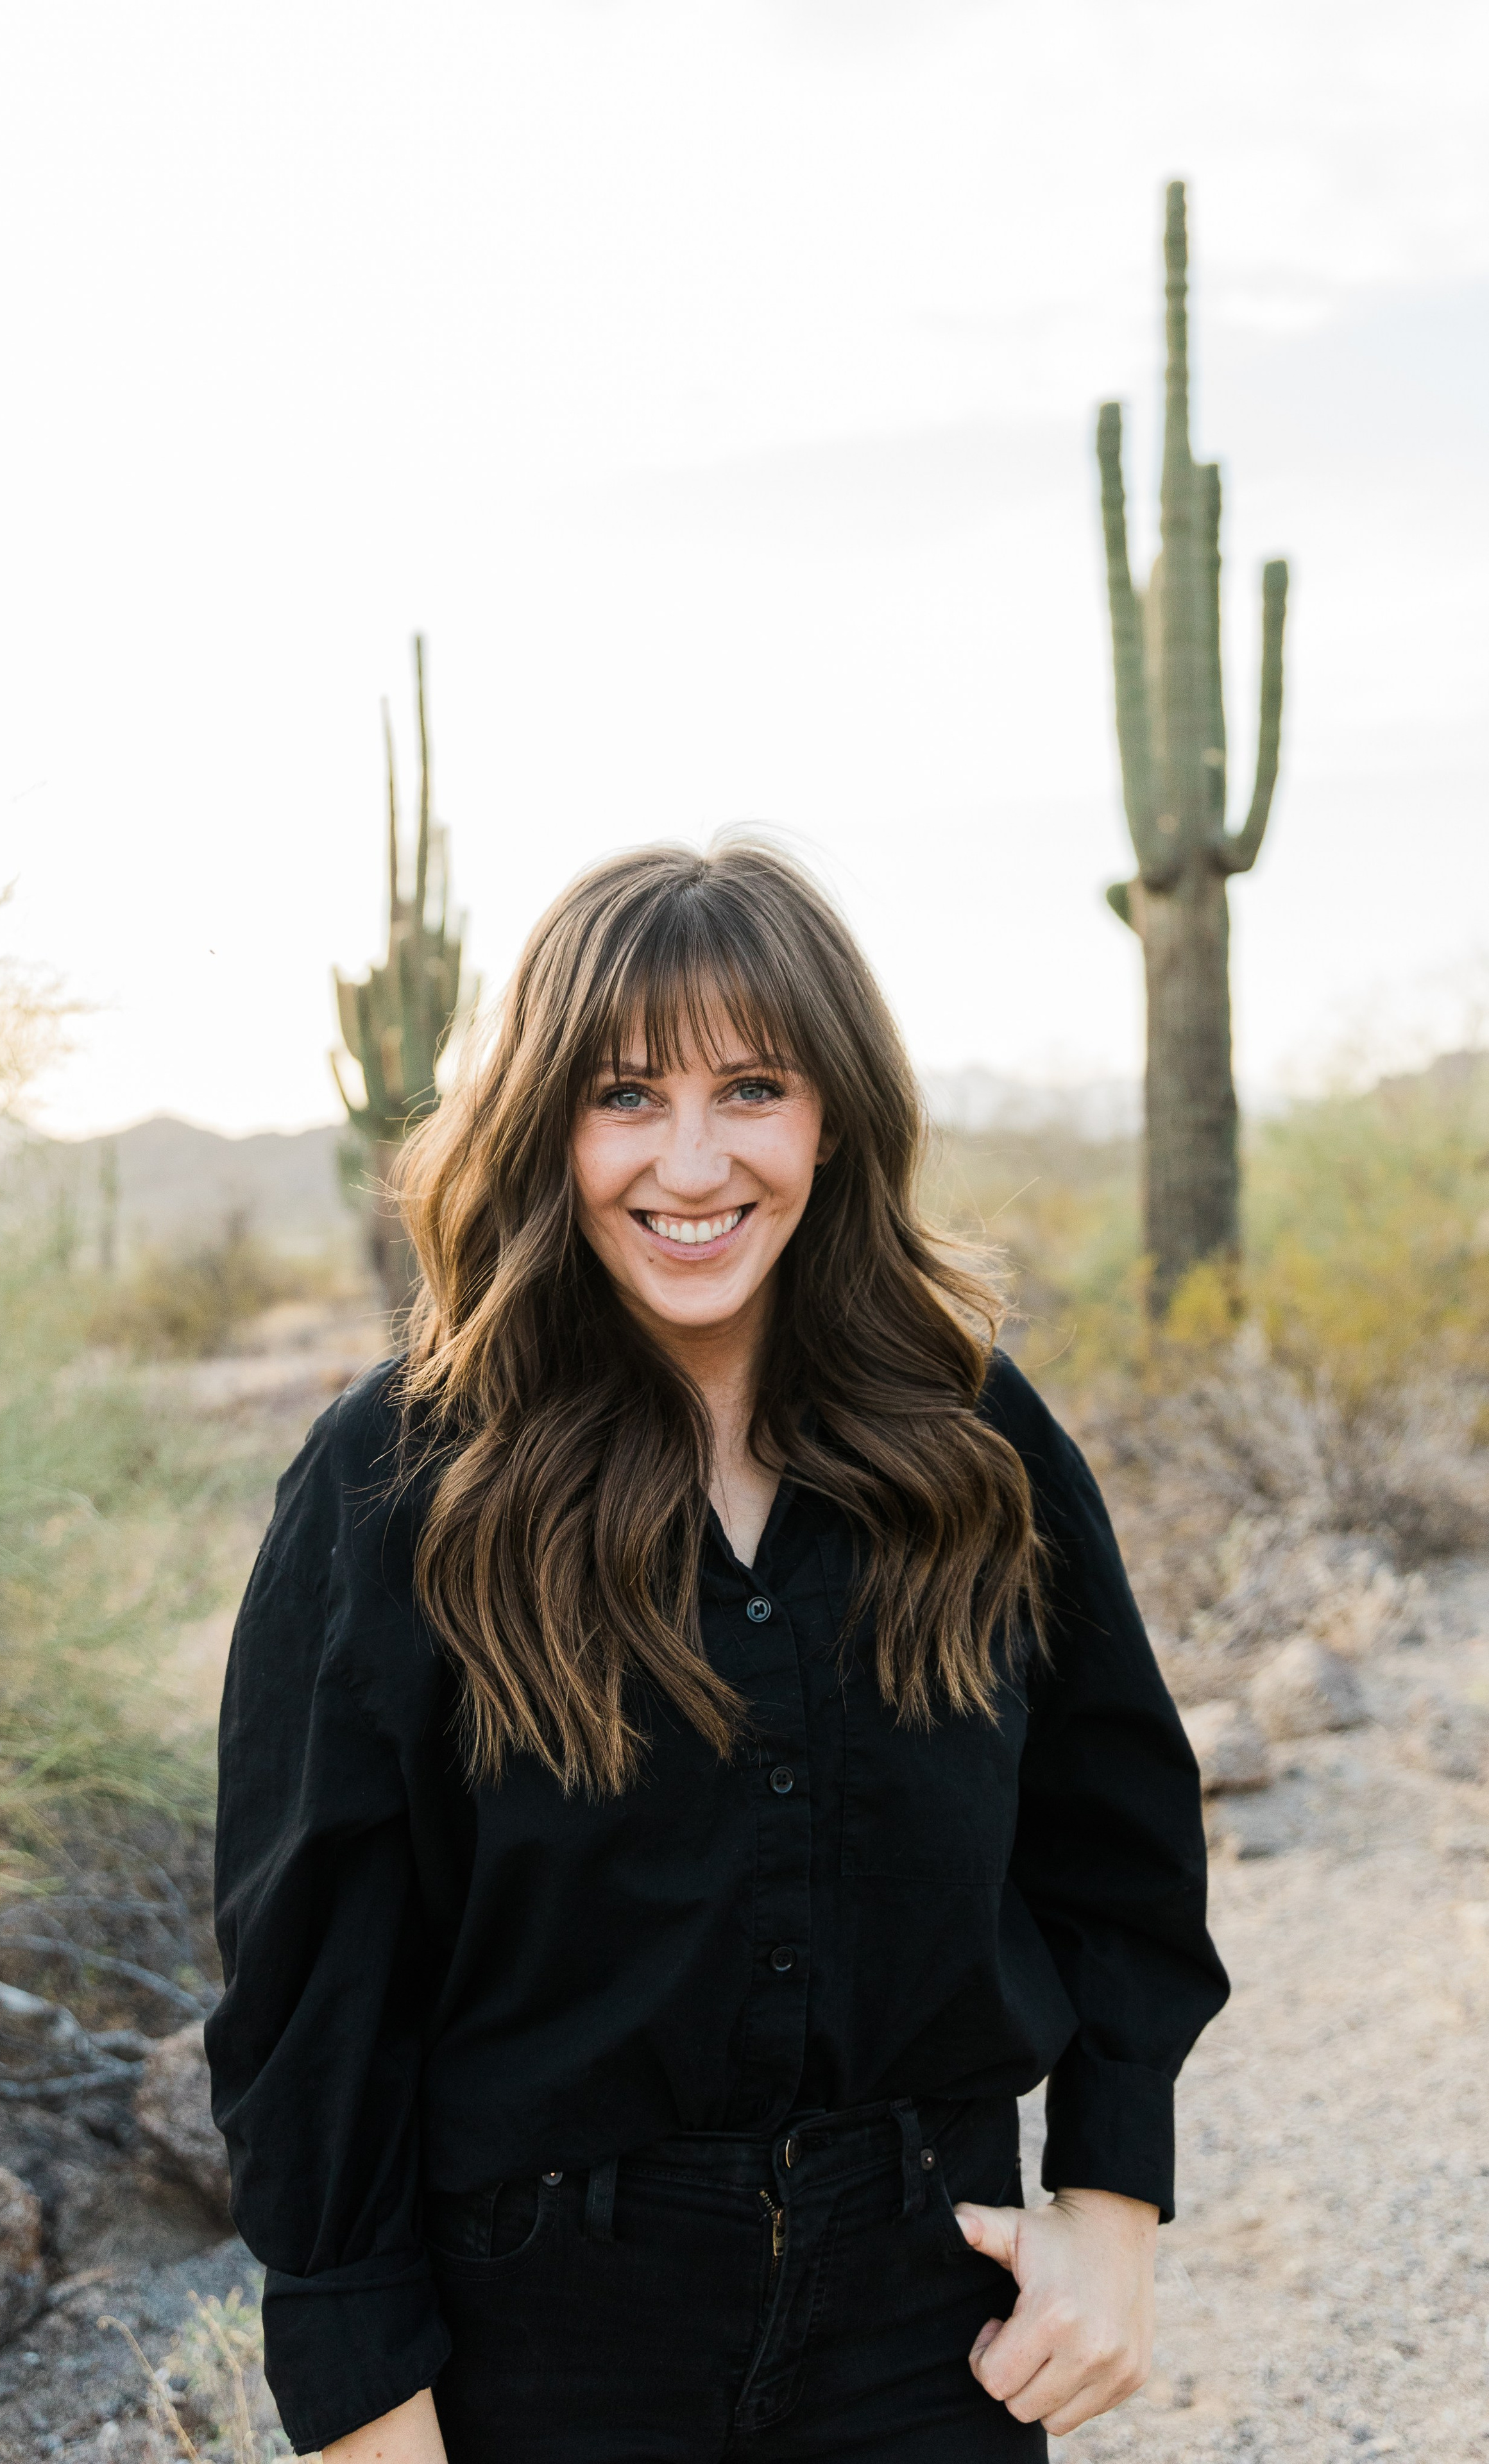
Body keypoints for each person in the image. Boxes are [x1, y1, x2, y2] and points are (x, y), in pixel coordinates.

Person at [207, 841, 1227, 2463]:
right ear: (546, 1126)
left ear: (833, 1115)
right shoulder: (399, 1476)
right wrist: (361, 2401)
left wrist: (1110, 2200)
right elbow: (312, 1970)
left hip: (921, 2316)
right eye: (624, 1095)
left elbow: (1116, 1835)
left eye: (752, 1086)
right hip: (535, 2341)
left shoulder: (970, 1437)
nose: (690, 1163)